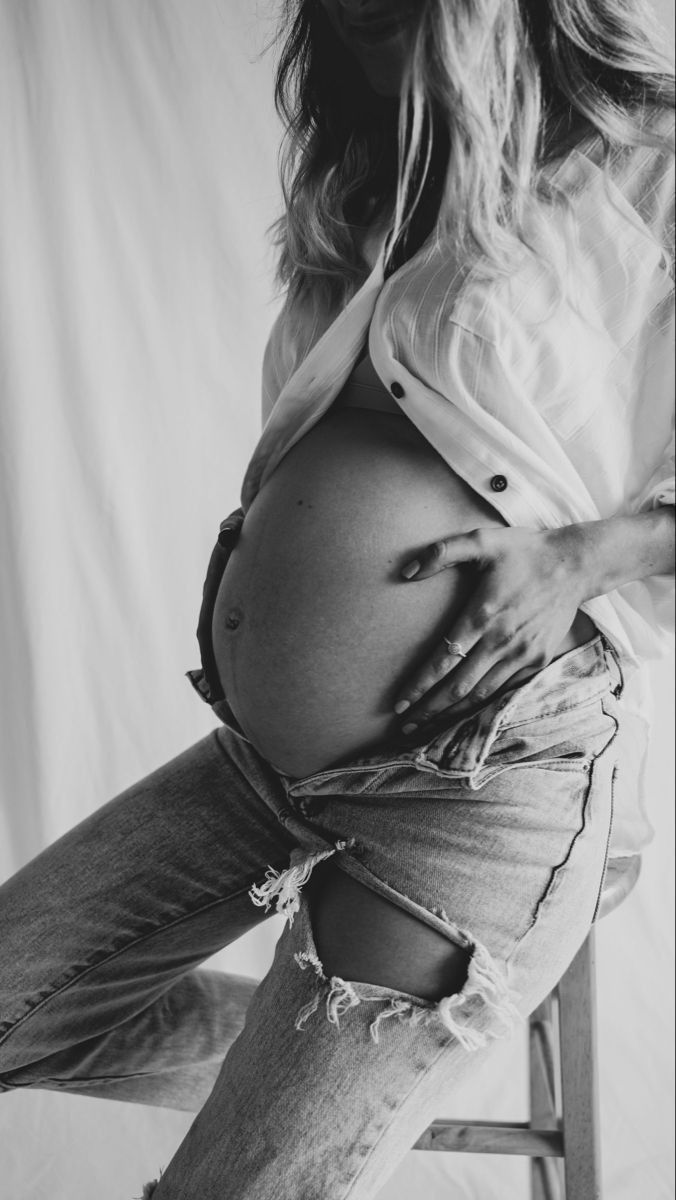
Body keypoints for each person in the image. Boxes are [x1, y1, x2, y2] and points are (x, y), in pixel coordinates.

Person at [0, 1, 673, 1196]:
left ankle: (353, 1073)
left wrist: (580, 557)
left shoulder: (650, 161)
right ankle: (343, 1074)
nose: (368, 37)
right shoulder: (371, 195)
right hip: (267, 765)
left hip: (483, 782)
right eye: (345, 20)